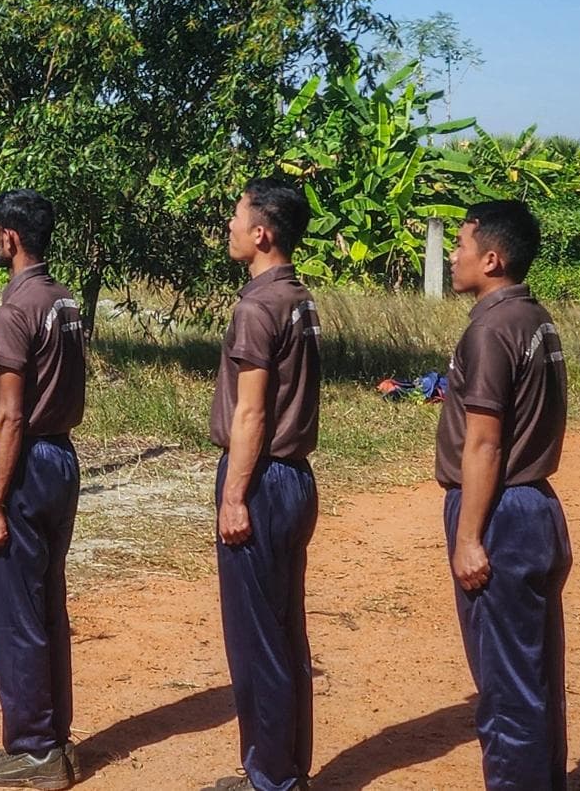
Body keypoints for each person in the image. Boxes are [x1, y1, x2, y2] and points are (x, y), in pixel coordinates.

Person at [437, 201, 570, 791]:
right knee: (534, 676)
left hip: (500, 515)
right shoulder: (533, 318)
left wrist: (469, 537)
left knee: (506, 689)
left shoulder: (490, 329)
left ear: (490, 259)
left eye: (461, 244)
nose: (453, 255)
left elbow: (485, 444)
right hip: (535, 507)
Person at [201, 178, 322, 791]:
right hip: (294, 478)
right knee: (284, 631)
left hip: (262, 480)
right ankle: (284, 767)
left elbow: (250, 413)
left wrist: (233, 496)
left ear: (262, 233)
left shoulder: (257, 307)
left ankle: (271, 777)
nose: (229, 225)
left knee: (257, 640)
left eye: (236, 215)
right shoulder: (298, 298)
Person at [0, 189, 89, 790]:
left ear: (11, 238)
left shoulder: (18, 307)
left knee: (15, 611)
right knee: (46, 603)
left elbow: (11, 414)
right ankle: (53, 739)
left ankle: (35, 749)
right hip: (62, 459)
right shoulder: (63, 299)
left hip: (25, 464)